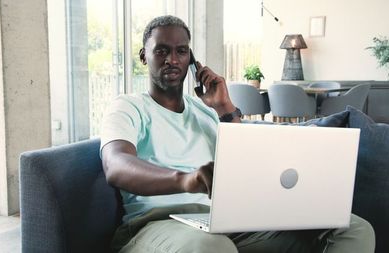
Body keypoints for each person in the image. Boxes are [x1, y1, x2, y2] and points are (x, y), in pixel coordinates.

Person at [100, 15, 375, 253]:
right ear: (143, 56)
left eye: (181, 51)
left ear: (192, 61)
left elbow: (250, 163)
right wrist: (186, 180)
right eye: (161, 51)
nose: (172, 59)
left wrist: (224, 107)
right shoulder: (128, 106)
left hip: (226, 223)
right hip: (157, 224)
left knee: (353, 228)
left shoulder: (206, 111)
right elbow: (116, 165)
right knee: (214, 248)